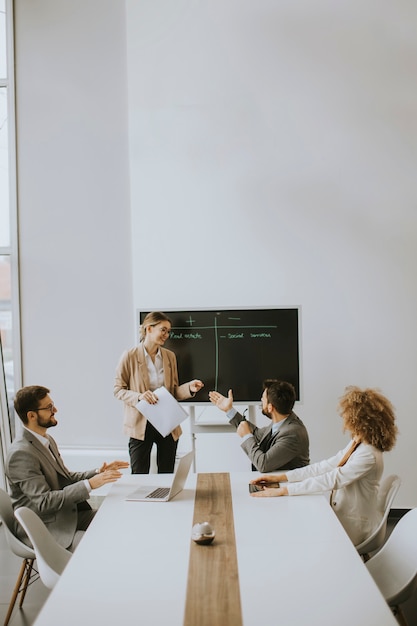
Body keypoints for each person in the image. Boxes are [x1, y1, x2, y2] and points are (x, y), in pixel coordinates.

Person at [249, 385, 399, 546]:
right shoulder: (358, 442)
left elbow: (332, 479)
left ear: (359, 420)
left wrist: (284, 490)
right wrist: (281, 477)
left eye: (348, 416)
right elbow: (326, 466)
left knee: (301, 532)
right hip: (345, 513)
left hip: (356, 525)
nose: (345, 420)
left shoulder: (368, 454)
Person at [6, 385, 129, 551]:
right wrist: (90, 484)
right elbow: (44, 502)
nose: (55, 410)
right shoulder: (21, 454)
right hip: (43, 527)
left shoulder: (45, 439)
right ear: (32, 415)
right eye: (49, 407)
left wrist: (98, 473)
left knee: (118, 520)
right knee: (102, 544)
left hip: (63, 516)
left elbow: (66, 478)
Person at [114, 311, 204, 474]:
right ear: (149, 329)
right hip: (140, 423)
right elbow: (118, 390)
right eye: (163, 330)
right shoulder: (130, 356)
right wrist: (139, 396)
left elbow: (173, 391)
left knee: (167, 473)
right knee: (139, 474)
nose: (166, 335)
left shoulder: (170, 357)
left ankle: (164, 499)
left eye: (168, 331)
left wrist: (189, 388)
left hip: (166, 421)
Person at [208, 379, 309, 472]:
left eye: (263, 399)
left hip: (289, 487)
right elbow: (256, 434)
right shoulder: (281, 422)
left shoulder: (292, 433)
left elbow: (263, 464)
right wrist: (229, 410)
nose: (261, 400)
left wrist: (246, 436)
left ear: (270, 407)